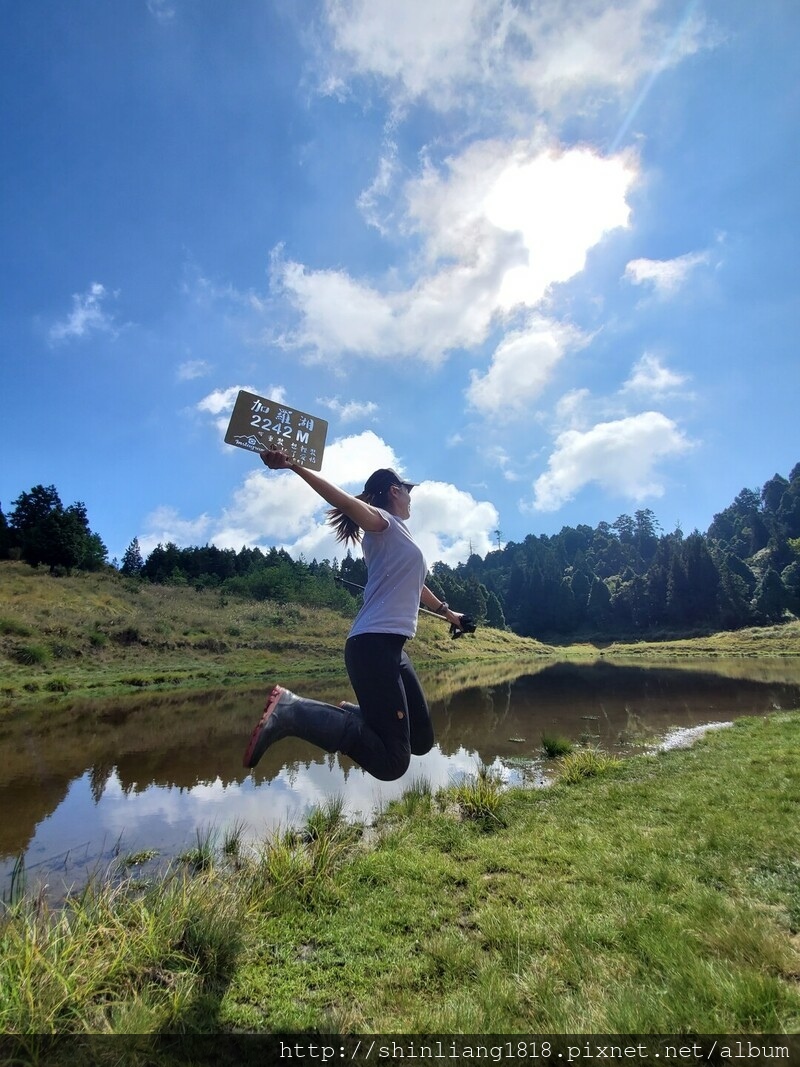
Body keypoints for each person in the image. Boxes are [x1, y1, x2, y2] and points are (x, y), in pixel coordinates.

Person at [242, 450, 466, 782]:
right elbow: (346, 503)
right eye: (408, 491)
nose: (410, 499)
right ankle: (293, 711)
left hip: (393, 649)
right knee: (393, 764)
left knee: (421, 739)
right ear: (394, 490)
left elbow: (416, 586)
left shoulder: (399, 536)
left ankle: (353, 714)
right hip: (372, 646)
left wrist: (450, 614)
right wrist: (294, 466)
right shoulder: (383, 521)